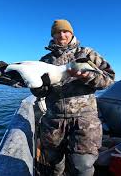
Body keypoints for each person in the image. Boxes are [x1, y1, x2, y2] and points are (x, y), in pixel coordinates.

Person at [31, 19, 115, 176]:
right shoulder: (45, 61)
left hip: (84, 121)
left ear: (71, 33)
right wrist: (38, 86)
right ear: (53, 35)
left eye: (65, 31)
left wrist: (86, 76)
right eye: (57, 32)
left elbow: (108, 79)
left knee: (83, 166)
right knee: (54, 163)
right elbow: (39, 93)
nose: (61, 35)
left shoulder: (87, 54)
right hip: (53, 121)